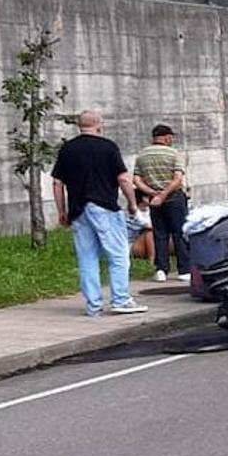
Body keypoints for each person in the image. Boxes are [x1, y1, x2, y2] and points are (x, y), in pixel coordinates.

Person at [51, 110, 147, 317]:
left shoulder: (68, 149)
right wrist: (132, 204)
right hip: (105, 207)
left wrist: (62, 211)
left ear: (80, 126)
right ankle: (121, 299)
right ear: (99, 125)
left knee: (87, 258)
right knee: (119, 255)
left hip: (78, 210)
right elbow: (123, 179)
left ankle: (93, 305)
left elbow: (57, 183)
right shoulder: (108, 147)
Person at [133, 124, 191, 282]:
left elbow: (136, 180)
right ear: (167, 137)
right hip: (174, 198)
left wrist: (153, 193)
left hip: (154, 201)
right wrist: (164, 193)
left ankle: (161, 270)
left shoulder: (142, 155)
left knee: (160, 234)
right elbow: (178, 178)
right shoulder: (173, 153)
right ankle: (184, 270)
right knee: (180, 233)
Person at [125, 192, 153, 260]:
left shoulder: (149, 210)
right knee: (149, 233)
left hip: (141, 241)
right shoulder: (133, 212)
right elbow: (149, 226)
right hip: (131, 246)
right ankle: (152, 259)